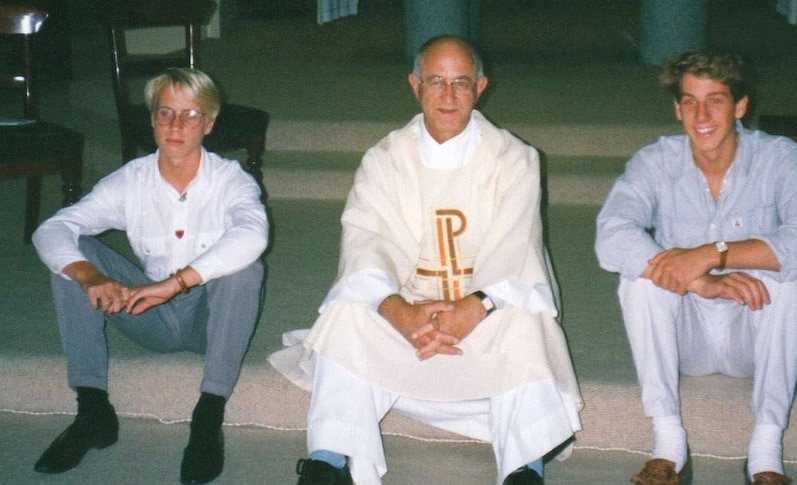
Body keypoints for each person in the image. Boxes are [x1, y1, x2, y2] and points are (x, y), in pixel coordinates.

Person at [268, 35, 582, 485]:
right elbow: (365, 241)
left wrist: (473, 308)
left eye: (461, 83)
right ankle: (327, 461)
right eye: (436, 82)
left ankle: (523, 468)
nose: (448, 96)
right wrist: (399, 312)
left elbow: (517, 251)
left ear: (481, 87)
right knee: (348, 313)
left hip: (482, 311)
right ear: (415, 85)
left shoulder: (515, 159)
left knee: (525, 322)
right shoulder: (384, 159)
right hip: (408, 311)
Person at [595, 50, 797, 485]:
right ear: (677, 108)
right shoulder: (654, 162)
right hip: (686, 333)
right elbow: (611, 237)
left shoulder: (780, 157)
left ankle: (765, 449)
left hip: (753, 329)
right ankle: (667, 444)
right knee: (640, 281)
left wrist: (710, 254)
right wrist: (700, 281)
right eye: (689, 101)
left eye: (715, 100)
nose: (701, 115)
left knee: (792, 280)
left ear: (740, 106)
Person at [31, 68, 268, 485]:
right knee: (72, 256)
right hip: (146, 315)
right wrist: (89, 276)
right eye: (165, 113)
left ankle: (207, 416)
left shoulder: (231, 180)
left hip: (207, 322)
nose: (176, 126)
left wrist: (174, 284)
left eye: (190, 115)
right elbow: (52, 229)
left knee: (245, 270)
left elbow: (253, 235)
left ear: (209, 123)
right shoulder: (130, 181)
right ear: (152, 119)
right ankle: (92, 411)